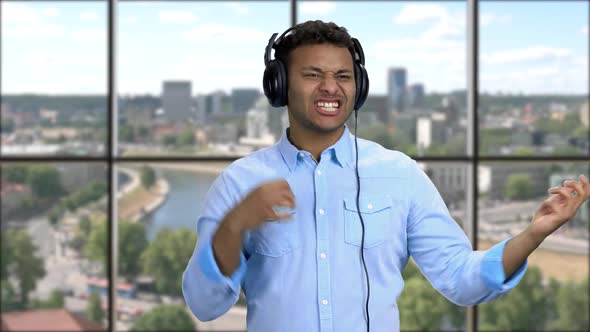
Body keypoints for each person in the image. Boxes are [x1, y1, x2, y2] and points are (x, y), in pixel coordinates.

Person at [182, 20, 589, 332]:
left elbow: (461, 279)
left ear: (358, 88)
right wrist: (232, 229)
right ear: (279, 85)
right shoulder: (239, 182)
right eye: (312, 75)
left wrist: (534, 233)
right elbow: (205, 304)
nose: (331, 88)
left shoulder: (400, 175)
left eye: (343, 76)